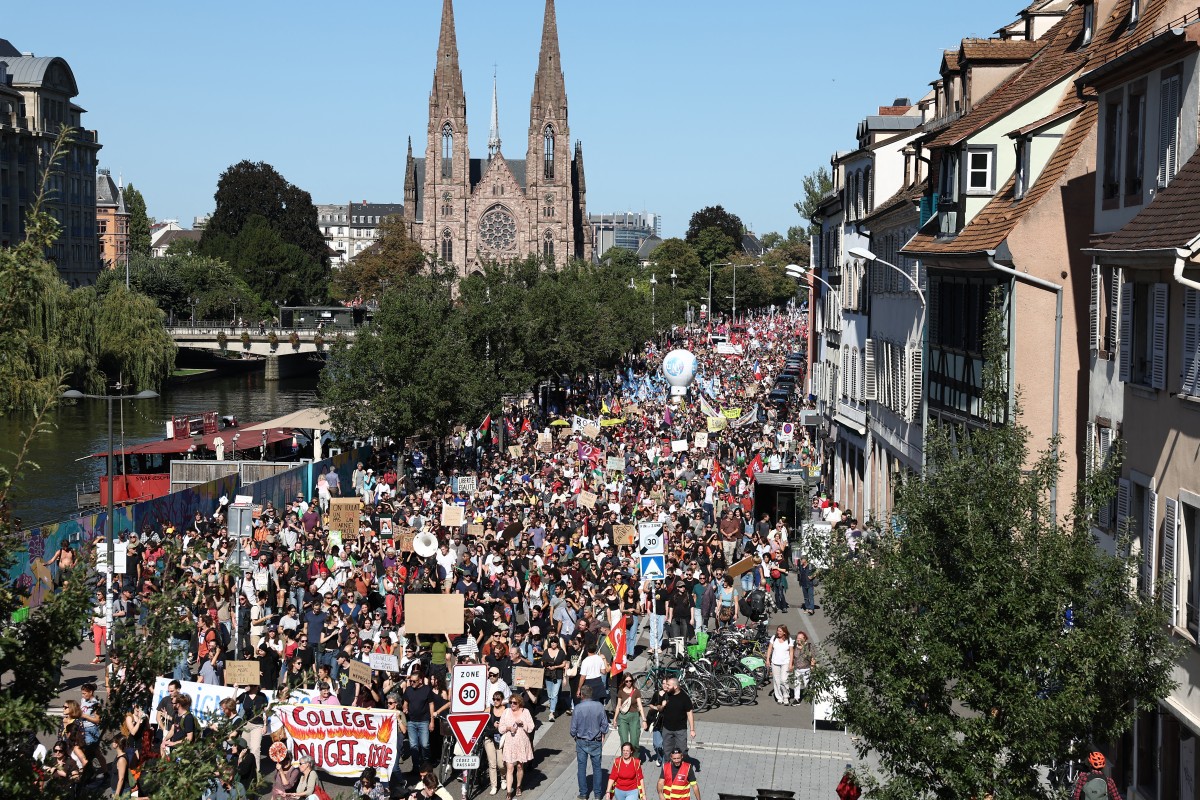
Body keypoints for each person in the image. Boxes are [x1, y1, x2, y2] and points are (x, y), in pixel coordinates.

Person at [570, 685, 610, 800]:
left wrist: (575, 736)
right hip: (596, 741)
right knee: (597, 768)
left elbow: (573, 728)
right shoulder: (599, 706)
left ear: (582, 695)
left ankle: (583, 793)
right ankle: (597, 794)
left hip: (581, 741)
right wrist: (602, 733)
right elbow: (605, 725)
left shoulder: (577, 708)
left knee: (581, 768)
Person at [498, 694, 535, 798]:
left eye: (514, 703)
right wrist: (509, 728)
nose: (512, 705)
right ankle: (509, 792)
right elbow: (500, 728)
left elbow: (531, 727)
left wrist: (523, 724)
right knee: (509, 768)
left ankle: (518, 786)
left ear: (520, 703)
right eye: (510, 702)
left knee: (519, 766)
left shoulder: (526, 712)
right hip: (510, 744)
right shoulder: (506, 712)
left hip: (522, 743)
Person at [402, 669, 435, 776]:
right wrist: (405, 708)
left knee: (425, 745)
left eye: (414, 681)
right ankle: (415, 767)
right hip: (411, 721)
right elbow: (405, 703)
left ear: (420, 680)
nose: (411, 683)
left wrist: (432, 721)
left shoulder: (427, 690)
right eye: (410, 681)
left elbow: (431, 705)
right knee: (413, 746)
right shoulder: (408, 690)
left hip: (424, 721)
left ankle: (426, 765)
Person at [655, 678, 695, 763]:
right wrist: (662, 705)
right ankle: (667, 772)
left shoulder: (684, 698)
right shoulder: (665, 695)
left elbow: (689, 713)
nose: (666, 686)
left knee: (683, 751)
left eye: (669, 685)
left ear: (675, 686)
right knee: (667, 752)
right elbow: (658, 708)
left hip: (680, 730)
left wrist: (692, 729)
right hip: (667, 729)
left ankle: (684, 771)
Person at [481, 692, 507, 796]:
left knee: (500, 763)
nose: (495, 701)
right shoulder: (489, 709)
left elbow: (509, 722)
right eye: (494, 699)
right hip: (489, 738)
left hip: (500, 739)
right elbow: (481, 719)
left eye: (498, 699)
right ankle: (494, 786)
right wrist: (492, 724)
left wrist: (501, 725)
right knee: (492, 763)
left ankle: (503, 778)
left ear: (502, 700)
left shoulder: (506, 711)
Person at [613, 674, 646, 751]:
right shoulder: (620, 691)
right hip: (623, 717)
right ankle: (625, 760)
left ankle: (634, 759)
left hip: (634, 717)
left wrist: (644, 720)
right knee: (624, 742)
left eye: (630, 681)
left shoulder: (636, 691)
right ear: (624, 681)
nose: (628, 683)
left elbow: (640, 706)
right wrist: (615, 719)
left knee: (634, 741)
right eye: (626, 681)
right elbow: (618, 706)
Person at [766, 625, 794, 706]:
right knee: (776, 680)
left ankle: (786, 696)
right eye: (778, 631)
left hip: (785, 662)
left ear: (784, 632)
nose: (778, 632)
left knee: (784, 680)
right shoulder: (774, 638)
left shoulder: (789, 640)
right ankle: (779, 697)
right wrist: (767, 659)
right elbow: (770, 648)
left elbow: (791, 652)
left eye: (780, 631)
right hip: (775, 662)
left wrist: (791, 664)